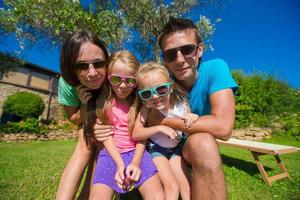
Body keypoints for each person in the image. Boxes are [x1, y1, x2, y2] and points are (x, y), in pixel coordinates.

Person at [155, 17, 238, 199]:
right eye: (170, 54)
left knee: (203, 143)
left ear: (199, 50)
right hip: (171, 145)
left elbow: (223, 127)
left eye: (187, 50)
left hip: (194, 143)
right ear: (164, 60)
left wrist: (167, 121)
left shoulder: (216, 68)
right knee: (203, 141)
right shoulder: (162, 85)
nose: (179, 59)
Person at [86, 50, 164, 199]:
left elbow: (142, 136)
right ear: (109, 78)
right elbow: (106, 137)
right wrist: (120, 164)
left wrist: (135, 162)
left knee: (157, 196)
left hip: (138, 153)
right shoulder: (103, 102)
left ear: (136, 82)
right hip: (110, 154)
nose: (122, 85)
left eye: (129, 81)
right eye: (116, 79)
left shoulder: (141, 104)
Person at [56, 30, 113, 200]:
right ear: (71, 68)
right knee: (85, 144)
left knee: (102, 148)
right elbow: (73, 118)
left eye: (98, 63)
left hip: (110, 118)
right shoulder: (67, 84)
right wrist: (84, 104)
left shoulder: (115, 74)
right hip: (86, 115)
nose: (92, 73)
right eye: (82, 66)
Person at [132, 62, 198, 200]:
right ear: (141, 97)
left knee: (185, 186)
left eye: (161, 89)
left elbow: (189, 128)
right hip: (156, 150)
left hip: (175, 151)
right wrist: (160, 127)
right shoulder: (146, 109)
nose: (155, 96)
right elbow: (136, 134)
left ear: (171, 88)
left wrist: (192, 116)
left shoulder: (182, 105)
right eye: (147, 93)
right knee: (172, 186)